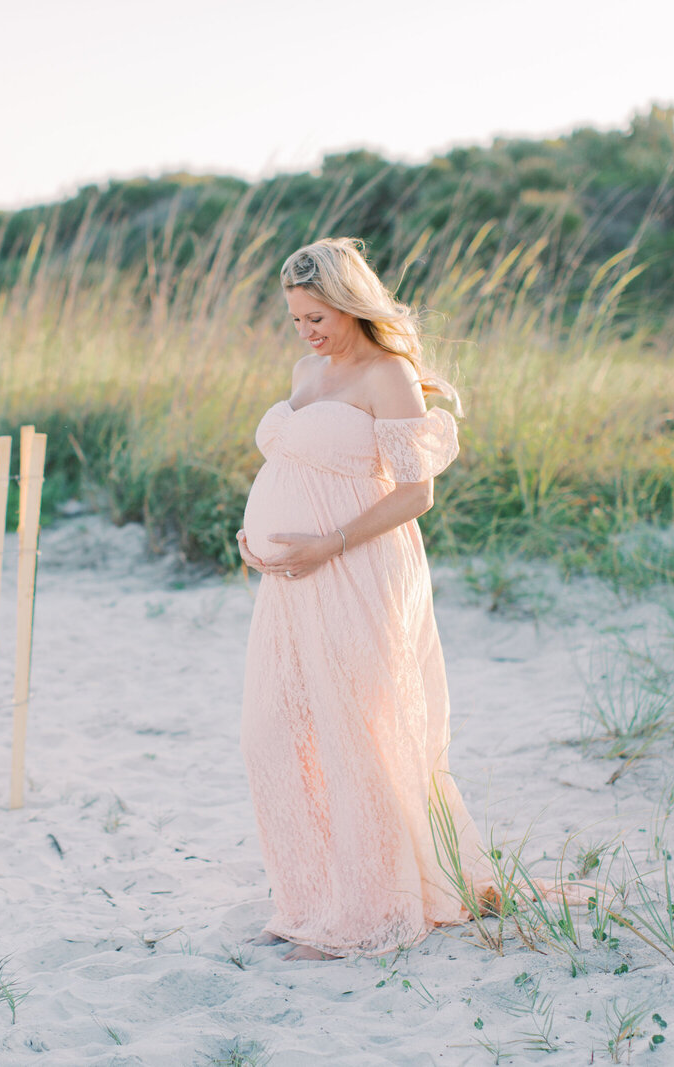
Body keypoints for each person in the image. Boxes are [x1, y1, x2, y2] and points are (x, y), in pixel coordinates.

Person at [236, 237, 501, 962]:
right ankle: (311, 898)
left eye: (317, 316)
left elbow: (417, 491)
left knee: (359, 731)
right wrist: (256, 533)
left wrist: (329, 541)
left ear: (351, 303)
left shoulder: (388, 374)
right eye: (296, 319)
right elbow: (296, 460)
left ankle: (367, 909)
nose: (307, 332)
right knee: (277, 731)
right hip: (293, 584)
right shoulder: (305, 369)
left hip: (360, 568)